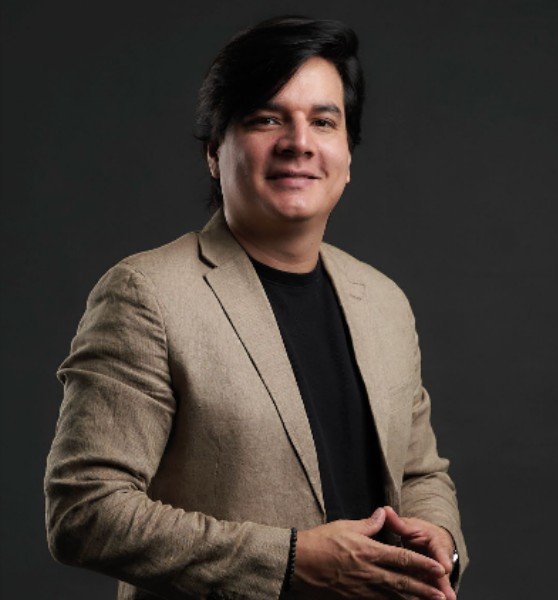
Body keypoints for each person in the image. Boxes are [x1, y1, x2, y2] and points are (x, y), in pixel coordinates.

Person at [44, 15, 468, 600]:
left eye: (324, 121)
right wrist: (290, 561)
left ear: (347, 155)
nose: (299, 142)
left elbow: (419, 472)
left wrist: (442, 538)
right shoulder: (147, 295)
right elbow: (84, 512)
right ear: (214, 152)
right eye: (267, 119)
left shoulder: (384, 302)